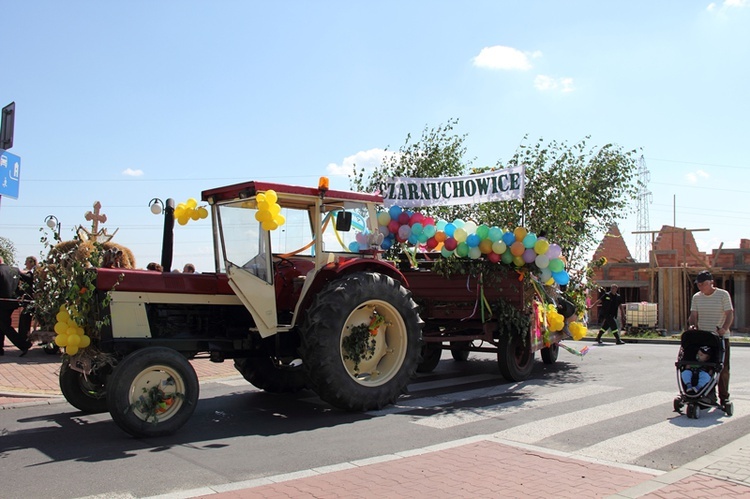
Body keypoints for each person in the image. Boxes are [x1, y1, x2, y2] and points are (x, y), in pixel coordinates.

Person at [688, 270, 734, 408]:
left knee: (722, 368)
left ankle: (724, 397)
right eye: (699, 284)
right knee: (705, 367)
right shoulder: (697, 297)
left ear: (711, 283)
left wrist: (724, 328)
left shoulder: (722, 295)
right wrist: (692, 324)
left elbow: (729, 313)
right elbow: (693, 315)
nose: (701, 287)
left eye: (703, 284)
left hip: (720, 337)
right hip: (704, 337)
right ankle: (708, 395)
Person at [0, 256, 33, 356]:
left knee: (5, 326)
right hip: (12, 302)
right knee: (2, 324)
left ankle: (23, 345)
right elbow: (28, 278)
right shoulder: (14, 270)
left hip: (1, 303)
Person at [17, 256, 37, 341]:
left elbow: (27, 276)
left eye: (26, 262)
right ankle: (26, 338)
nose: (25, 264)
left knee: (24, 319)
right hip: (30, 300)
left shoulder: (33, 273)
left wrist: (16, 271)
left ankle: (23, 339)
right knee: (25, 319)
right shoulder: (32, 273)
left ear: (31, 262)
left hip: (31, 301)